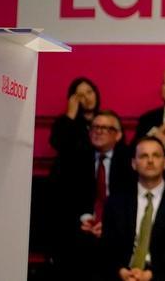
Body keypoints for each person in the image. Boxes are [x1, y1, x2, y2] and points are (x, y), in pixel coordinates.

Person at [50, 110, 134, 281]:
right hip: (82, 228)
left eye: (105, 128)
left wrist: (108, 222)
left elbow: (131, 199)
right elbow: (66, 198)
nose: (98, 131)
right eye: (95, 127)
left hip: (117, 228)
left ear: (117, 135)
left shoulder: (129, 160)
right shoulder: (75, 158)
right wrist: (84, 218)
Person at [102, 136, 165, 281]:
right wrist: (121, 271)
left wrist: (150, 275)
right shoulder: (116, 201)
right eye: (144, 156)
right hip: (122, 275)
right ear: (134, 163)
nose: (150, 160)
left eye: (156, 156)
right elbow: (108, 247)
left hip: (164, 276)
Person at [51, 76, 102, 155]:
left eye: (89, 92)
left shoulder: (105, 119)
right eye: (81, 95)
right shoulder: (64, 121)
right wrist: (71, 115)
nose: (87, 98)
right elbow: (57, 144)